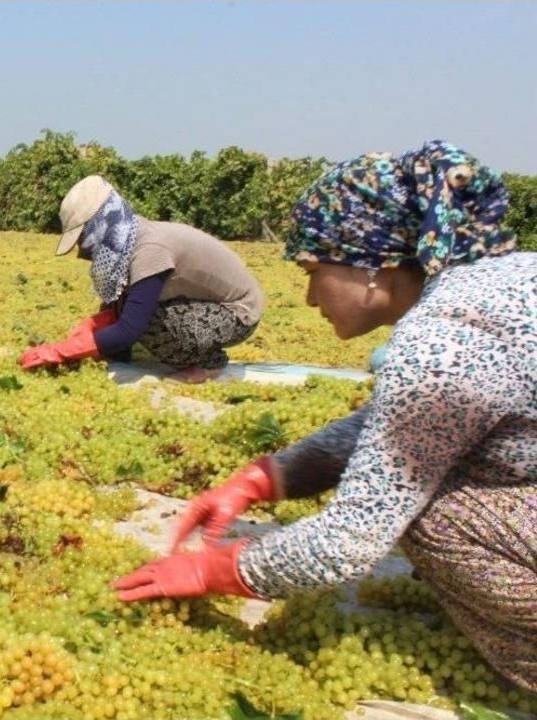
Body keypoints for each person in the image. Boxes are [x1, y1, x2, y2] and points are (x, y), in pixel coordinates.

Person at [111, 140, 536, 691]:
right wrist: (266, 478)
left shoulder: (443, 342)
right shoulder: (488, 284)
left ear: (375, 265)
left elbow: (349, 542)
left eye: (314, 271)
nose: (310, 298)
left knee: (428, 509)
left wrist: (211, 568)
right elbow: (407, 428)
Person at [17, 176, 265, 383]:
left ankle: (210, 362)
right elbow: (119, 303)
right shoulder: (130, 237)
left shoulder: (148, 250)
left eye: (82, 238)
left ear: (100, 225)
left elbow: (129, 329)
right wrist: (92, 328)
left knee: (147, 323)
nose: (82, 249)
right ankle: (120, 352)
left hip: (238, 312)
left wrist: (64, 352)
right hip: (204, 302)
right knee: (123, 306)